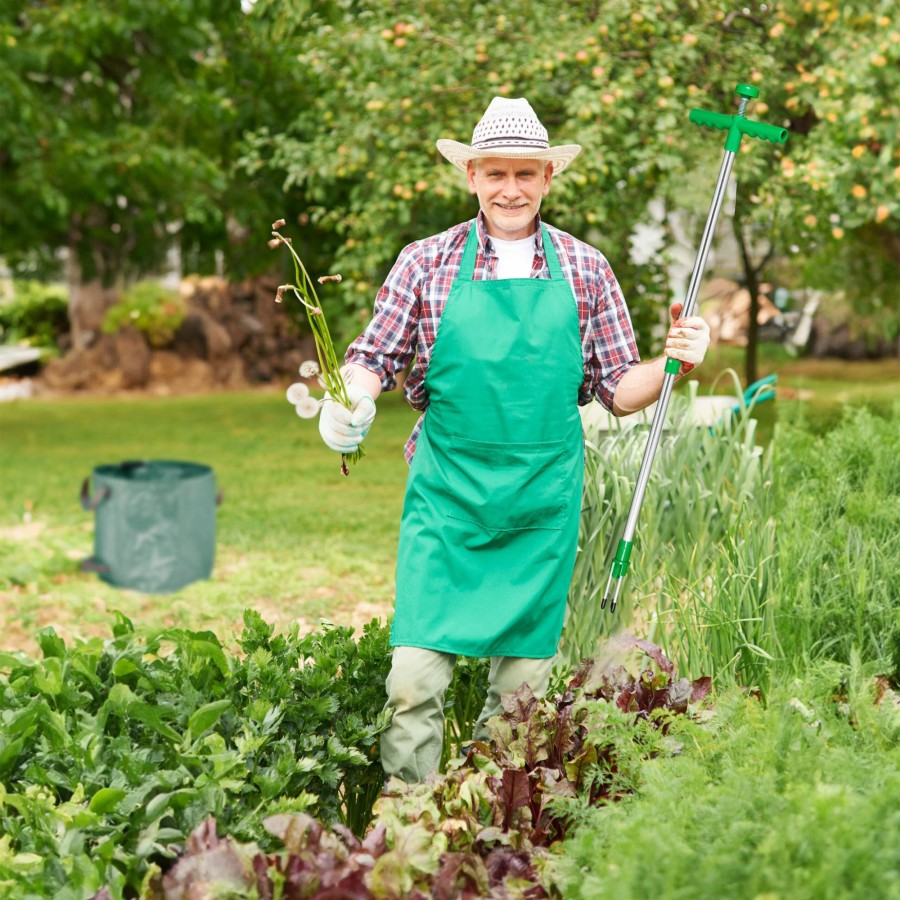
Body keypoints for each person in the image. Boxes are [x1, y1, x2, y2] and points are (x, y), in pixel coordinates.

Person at [316, 97, 710, 784]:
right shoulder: (425, 263)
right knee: (413, 679)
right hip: (448, 499)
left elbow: (619, 390)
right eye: (495, 173)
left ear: (547, 179)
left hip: (539, 504)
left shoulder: (586, 270)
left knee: (520, 697)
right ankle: (408, 833)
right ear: (471, 175)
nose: (510, 189)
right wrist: (346, 398)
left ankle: (491, 831)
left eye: (525, 174)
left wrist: (675, 362)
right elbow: (373, 357)